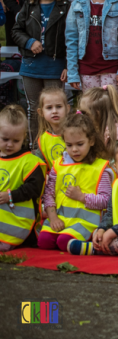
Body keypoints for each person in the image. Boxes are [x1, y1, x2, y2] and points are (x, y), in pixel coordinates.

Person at [12, 0, 69, 143]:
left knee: (55, 108)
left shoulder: (66, 7)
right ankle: (35, 145)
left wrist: (69, 66)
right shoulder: (28, 7)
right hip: (31, 65)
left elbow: (72, 39)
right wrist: (29, 42)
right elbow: (15, 31)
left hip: (55, 66)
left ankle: (57, 144)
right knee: (34, 107)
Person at [38, 112, 111, 251]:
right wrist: (53, 218)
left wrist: (82, 197)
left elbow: (107, 200)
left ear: (91, 141)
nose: (74, 149)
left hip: (85, 223)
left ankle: (91, 246)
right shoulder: (58, 165)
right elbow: (49, 194)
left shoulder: (100, 168)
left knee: (63, 242)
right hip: (59, 220)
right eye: (69, 145)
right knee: (44, 242)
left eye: (80, 144)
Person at [0, 105, 46, 251]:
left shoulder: (30, 162)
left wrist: (10, 196)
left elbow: (34, 189)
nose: (9, 144)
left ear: (24, 138)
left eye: (15, 141)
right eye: (5, 139)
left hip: (19, 221)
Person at [35, 87, 69, 171]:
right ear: (41, 112)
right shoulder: (43, 139)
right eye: (49, 108)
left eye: (59, 106)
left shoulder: (77, 133)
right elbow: (39, 164)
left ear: (67, 109)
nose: (54, 111)